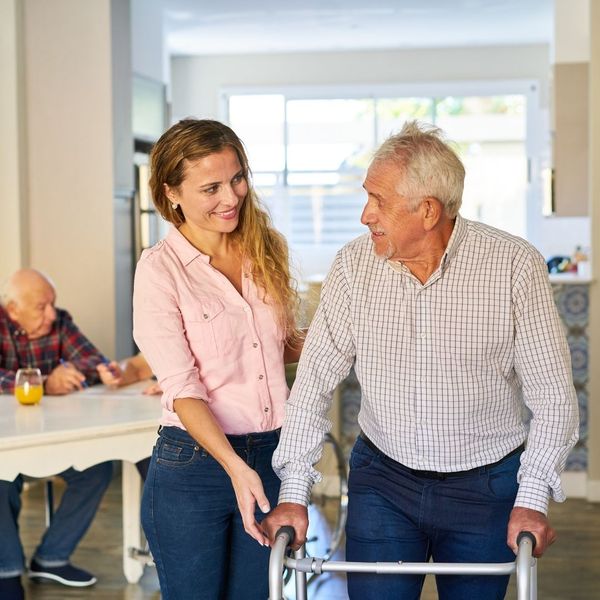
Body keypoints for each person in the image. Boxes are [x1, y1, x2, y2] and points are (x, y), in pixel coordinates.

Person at [263, 120, 579, 600]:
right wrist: (293, 493)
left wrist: (532, 498)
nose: (366, 215)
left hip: (487, 486)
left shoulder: (514, 266)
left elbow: (554, 398)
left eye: (379, 201)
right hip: (384, 480)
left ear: (428, 211)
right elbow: (313, 383)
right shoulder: (353, 265)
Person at [133, 118, 303, 600]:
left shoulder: (264, 249)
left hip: (272, 454)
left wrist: (337, 335)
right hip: (196, 465)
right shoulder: (160, 270)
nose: (231, 197)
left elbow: (278, 345)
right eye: (211, 187)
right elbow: (182, 387)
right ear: (172, 194)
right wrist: (233, 465)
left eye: (237, 178)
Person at [0, 269, 116, 600]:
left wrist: (101, 372)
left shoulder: (60, 321)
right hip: (5, 440)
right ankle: (6, 570)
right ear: (12, 310)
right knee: (1, 480)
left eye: (53, 304)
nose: (51, 313)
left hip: (50, 435)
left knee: (96, 469)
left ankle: (51, 558)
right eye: (41, 306)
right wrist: (43, 382)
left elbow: (93, 360)